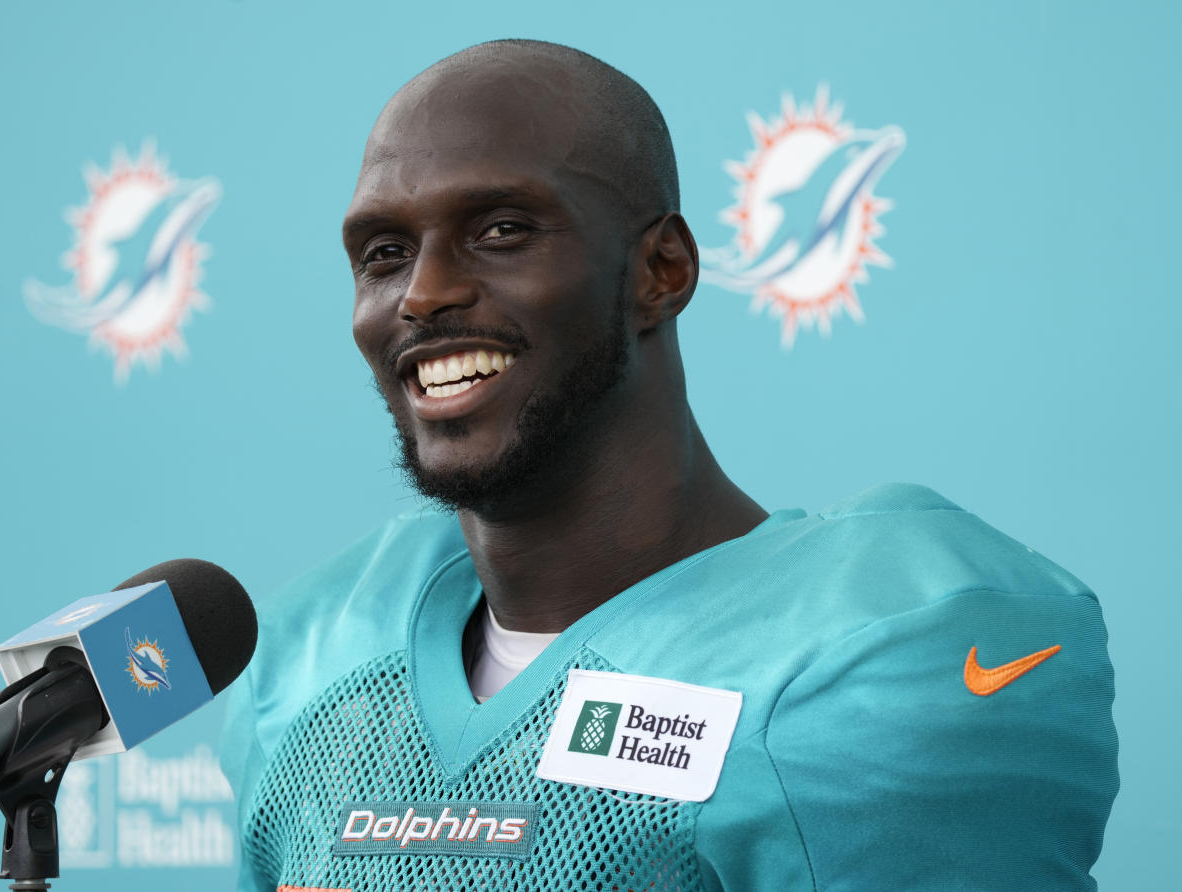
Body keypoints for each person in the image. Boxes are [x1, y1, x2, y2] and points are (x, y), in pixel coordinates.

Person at [221, 40, 1118, 891]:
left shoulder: (866, 658)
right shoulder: (316, 661)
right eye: (384, 254)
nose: (422, 293)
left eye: (499, 230)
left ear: (662, 270)